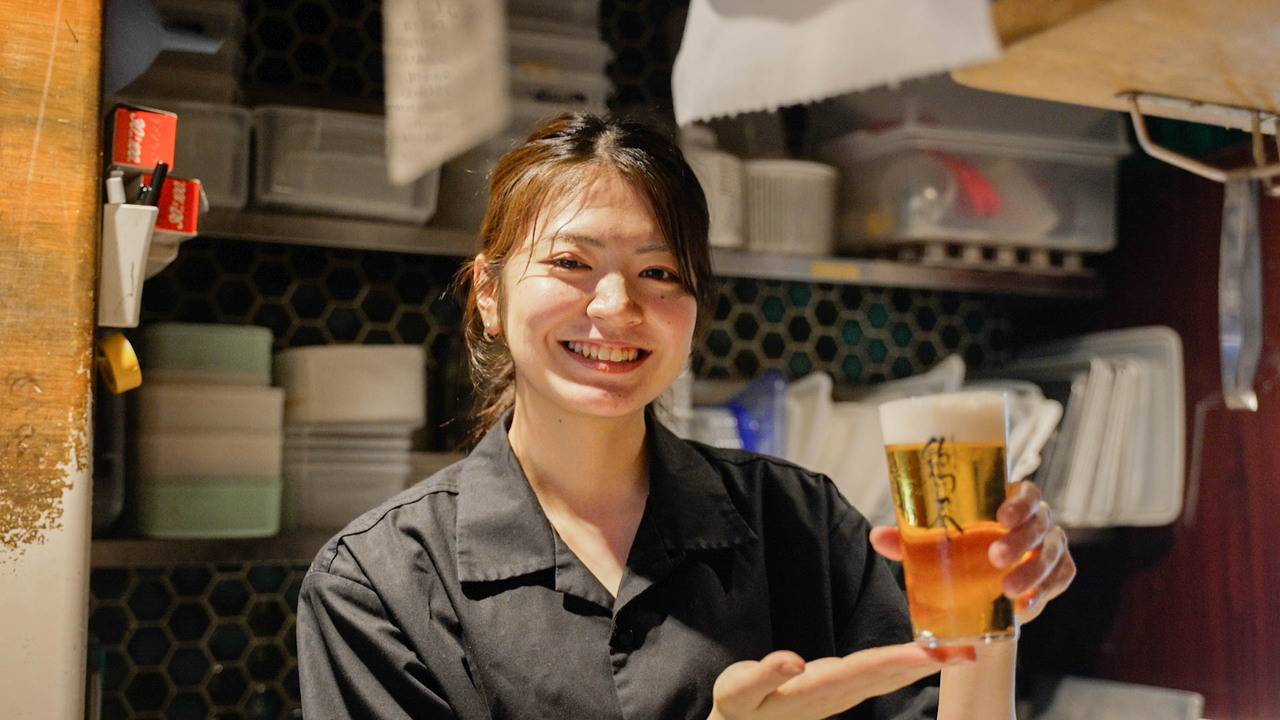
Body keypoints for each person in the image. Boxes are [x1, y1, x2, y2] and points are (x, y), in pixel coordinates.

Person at [295, 112, 1076, 720]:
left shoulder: (801, 523)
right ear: (488, 295)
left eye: (660, 271)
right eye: (571, 263)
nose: (616, 306)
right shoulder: (377, 584)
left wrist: (993, 607)